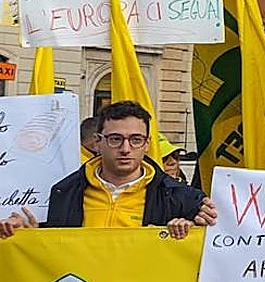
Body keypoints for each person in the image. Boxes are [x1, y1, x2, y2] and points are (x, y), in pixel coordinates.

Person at [1, 101, 216, 241]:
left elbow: (207, 246)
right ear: (98, 142)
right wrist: (25, 235)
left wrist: (190, 228)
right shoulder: (64, 191)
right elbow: (52, 247)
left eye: (135, 140)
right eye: (115, 139)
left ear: (147, 144)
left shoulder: (182, 198)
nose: (125, 148)